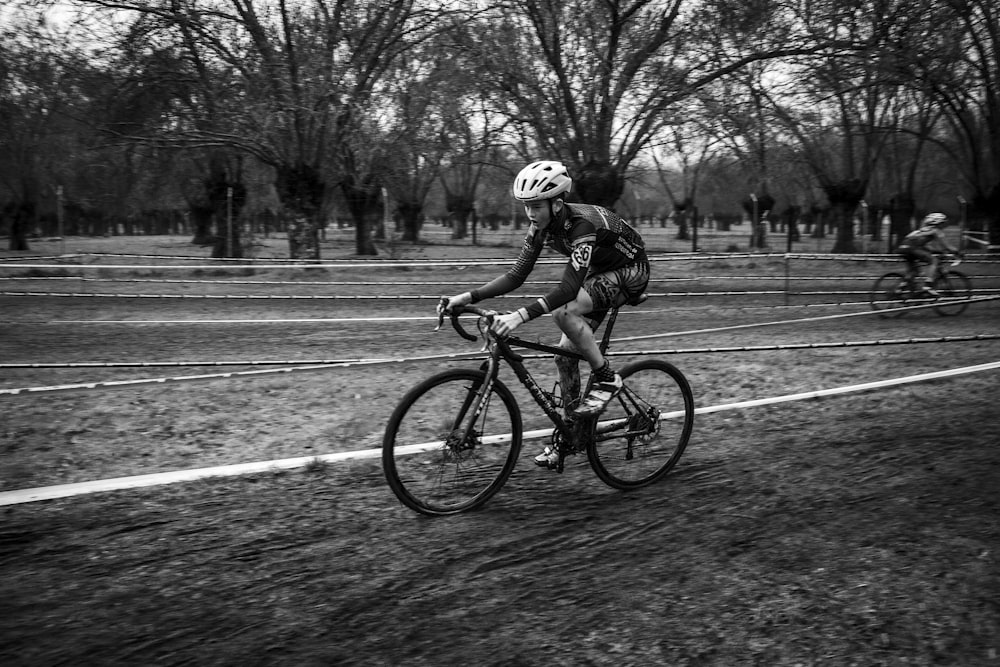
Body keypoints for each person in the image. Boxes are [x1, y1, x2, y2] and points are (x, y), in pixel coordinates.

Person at [438, 160, 649, 468]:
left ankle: (607, 378)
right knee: (564, 356)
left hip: (630, 271)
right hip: (601, 272)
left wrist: (519, 316)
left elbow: (567, 289)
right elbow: (516, 276)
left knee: (563, 312)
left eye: (536, 206)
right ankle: (571, 433)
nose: (530, 214)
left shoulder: (581, 226)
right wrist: (466, 297)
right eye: (526, 206)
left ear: (557, 203)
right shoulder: (540, 228)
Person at [896, 212, 961, 295]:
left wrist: (936, 251)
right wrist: (958, 252)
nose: (943, 225)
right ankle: (928, 286)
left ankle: (900, 288)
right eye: (943, 223)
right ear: (937, 223)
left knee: (913, 271)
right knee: (934, 261)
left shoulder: (921, 230)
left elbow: (920, 244)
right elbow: (947, 246)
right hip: (913, 248)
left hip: (903, 248)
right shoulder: (935, 231)